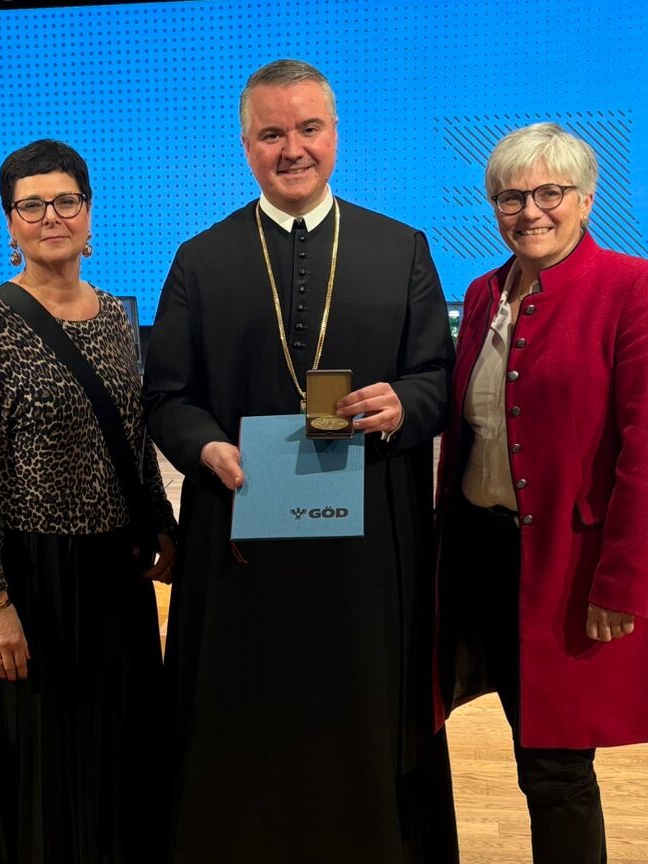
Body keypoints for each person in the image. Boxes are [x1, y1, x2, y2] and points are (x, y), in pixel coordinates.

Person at [143, 59, 459, 863]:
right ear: (245, 144)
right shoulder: (199, 260)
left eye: (308, 128)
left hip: (368, 546)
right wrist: (204, 445)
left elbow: (438, 380)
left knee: (360, 706)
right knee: (245, 711)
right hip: (242, 536)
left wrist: (403, 406)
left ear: (335, 135)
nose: (293, 149)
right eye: (272, 133)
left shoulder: (401, 249)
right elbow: (169, 397)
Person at [435, 122, 648, 864]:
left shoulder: (638, 289)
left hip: (567, 567)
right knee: (522, 754)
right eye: (510, 196)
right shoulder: (485, 292)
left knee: (556, 767)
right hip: (481, 556)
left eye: (549, 192)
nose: (530, 211)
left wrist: (623, 582)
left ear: (586, 198)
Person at [0, 138, 177, 864]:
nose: (50, 216)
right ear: (9, 224)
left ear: (89, 213)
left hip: (109, 576)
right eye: (31, 205)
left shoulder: (113, 316)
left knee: (112, 749)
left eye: (65, 200)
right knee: (33, 764)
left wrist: (160, 522)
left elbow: (132, 441)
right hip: (22, 577)